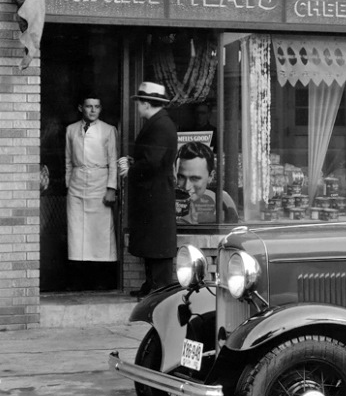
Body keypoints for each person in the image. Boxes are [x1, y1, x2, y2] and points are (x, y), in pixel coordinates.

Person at [118, 81, 177, 299]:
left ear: (146, 103)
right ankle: (151, 285)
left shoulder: (160, 125)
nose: (137, 107)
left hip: (156, 195)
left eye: (139, 103)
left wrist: (131, 169)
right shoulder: (158, 123)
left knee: (157, 242)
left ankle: (159, 289)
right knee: (151, 242)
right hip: (153, 194)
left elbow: (152, 162)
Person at [64, 95, 119, 289]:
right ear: (81, 108)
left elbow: (113, 162)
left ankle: (101, 281)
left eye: (96, 106)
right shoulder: (71, 130)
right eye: (88, 106)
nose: (93, 110)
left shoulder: (108, 130)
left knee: (100, 235)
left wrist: (111, 189)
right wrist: (69, 185)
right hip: (77, 186)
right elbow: (68, 160)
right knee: (77, 234)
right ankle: (79, 281)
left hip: (99, 185)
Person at [175, 140, 238, 224]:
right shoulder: (165, 201)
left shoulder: (222, 201)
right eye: (181, 177)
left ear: (210, 177)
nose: (187, 186)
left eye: (195, 178)